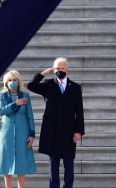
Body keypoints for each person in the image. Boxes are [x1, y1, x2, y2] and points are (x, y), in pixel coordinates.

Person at [27, 57, 85, 188]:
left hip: (69, 132)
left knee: (69, 167)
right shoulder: (48, 85)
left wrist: (78, 131)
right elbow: (31, 86)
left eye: (62, 68)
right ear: (54, 70)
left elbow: (79, 111)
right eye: (57, 68)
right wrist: (43, 73)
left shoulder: (75, 87)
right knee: (53, 167)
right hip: (52, 131)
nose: (60, 70)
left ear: (67, 69)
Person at [0, 70, 36, 188]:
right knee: (6, 163)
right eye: (9, 80)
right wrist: (15, 104)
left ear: (18, 82)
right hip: (6, 133)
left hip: (23, 132)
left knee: (21, 163)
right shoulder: (1, 95)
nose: (12, 82)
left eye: (14, 80)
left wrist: (32, 134)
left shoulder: (25, 95)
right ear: (5, 82)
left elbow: (30, 116)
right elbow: (1, 111)